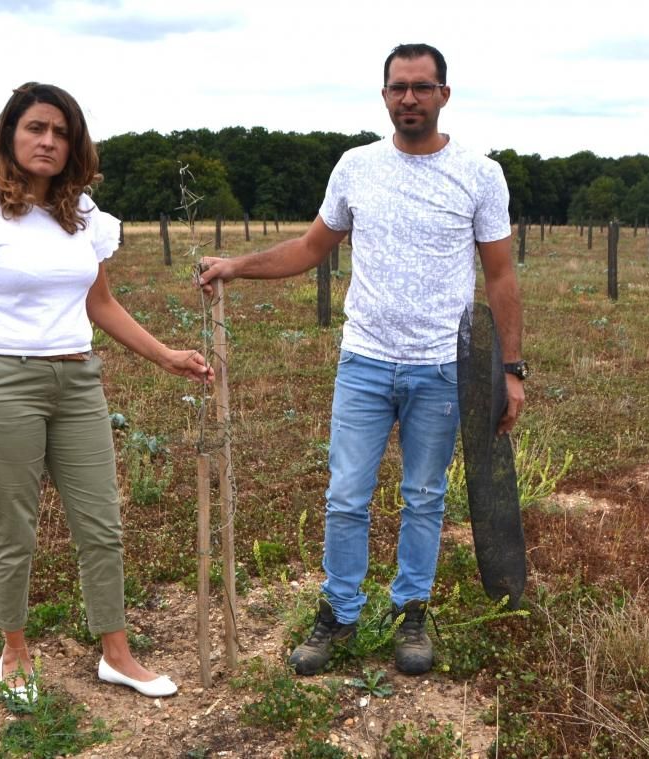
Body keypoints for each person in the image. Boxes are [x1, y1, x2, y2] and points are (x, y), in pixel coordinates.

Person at [197, 43, 524, 677]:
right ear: (384, 95)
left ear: (444, 96)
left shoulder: (481, 174)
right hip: (366, 363)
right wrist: (237, 266)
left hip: (441, 369)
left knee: (425, 496)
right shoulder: (355, 167)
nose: (410, 98)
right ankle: (339, 613)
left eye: (422, 87)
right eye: (399, 87)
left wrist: (510, 371)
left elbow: (501, 276)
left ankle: (412, 614)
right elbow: (312, 247)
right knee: (346, 496)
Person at [0, 82, 211, 701]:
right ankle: (14, 650)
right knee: (15, 525)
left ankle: (116, 653)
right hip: (4, 382)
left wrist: (165, 355)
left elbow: (101, 303)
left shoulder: (82, 216)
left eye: (61, 133)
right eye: (36, 128)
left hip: (78, 380)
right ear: (10, 135)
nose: (48, 141)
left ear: (74, 145)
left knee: (101, 522)